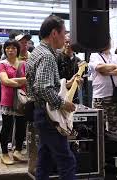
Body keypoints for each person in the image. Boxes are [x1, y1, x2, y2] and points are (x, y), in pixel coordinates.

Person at [26, 15, 76, 180]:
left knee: (45, 159)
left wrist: (66, 85)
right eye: (64, 33)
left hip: (41, 112)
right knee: (66, 160)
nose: (65, 38)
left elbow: (42, 85)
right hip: (48, 115)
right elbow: (42, 87)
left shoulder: (37, 52)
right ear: (54, 33)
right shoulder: (47, 56)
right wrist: (63, 103)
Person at [0, 39, 27, 165]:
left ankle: (18, 151)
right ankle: (4, 154)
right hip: (7, 99)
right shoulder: (2, 64)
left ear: (17, 50)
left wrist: (14, 80)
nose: (10, 50)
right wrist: (22, 81)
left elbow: (29, 80)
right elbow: (5, 81)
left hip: (21, 99)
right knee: (6, 127)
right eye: (8, 48)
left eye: (13, 48)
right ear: (5, 49)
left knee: (21, 126)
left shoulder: (23, 64)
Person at [89, 38, 117, 132]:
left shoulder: (116, 57)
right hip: (100, 97)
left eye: (108, 41)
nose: (107, 43)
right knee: (99, 128)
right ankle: (101, 147)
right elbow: (100, 68)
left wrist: (108, 72)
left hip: (115, 96)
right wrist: (114, 66)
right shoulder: (95, 55)